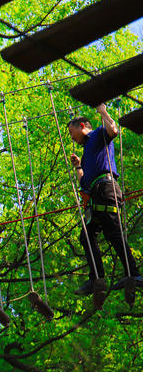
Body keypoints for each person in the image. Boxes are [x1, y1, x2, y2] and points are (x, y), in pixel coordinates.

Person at [67, 102, 141, 297]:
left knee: (113, 233)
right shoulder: (87, 153)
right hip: (95, 193)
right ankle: (96, 278)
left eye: (72, 132)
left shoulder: (98, 135)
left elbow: (113, 130)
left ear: (82, 126)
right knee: (86, 236)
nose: (72, 138)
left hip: (106, 189)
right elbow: (84, 184)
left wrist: (102, 111)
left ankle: (134, 274)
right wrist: (78, 167)